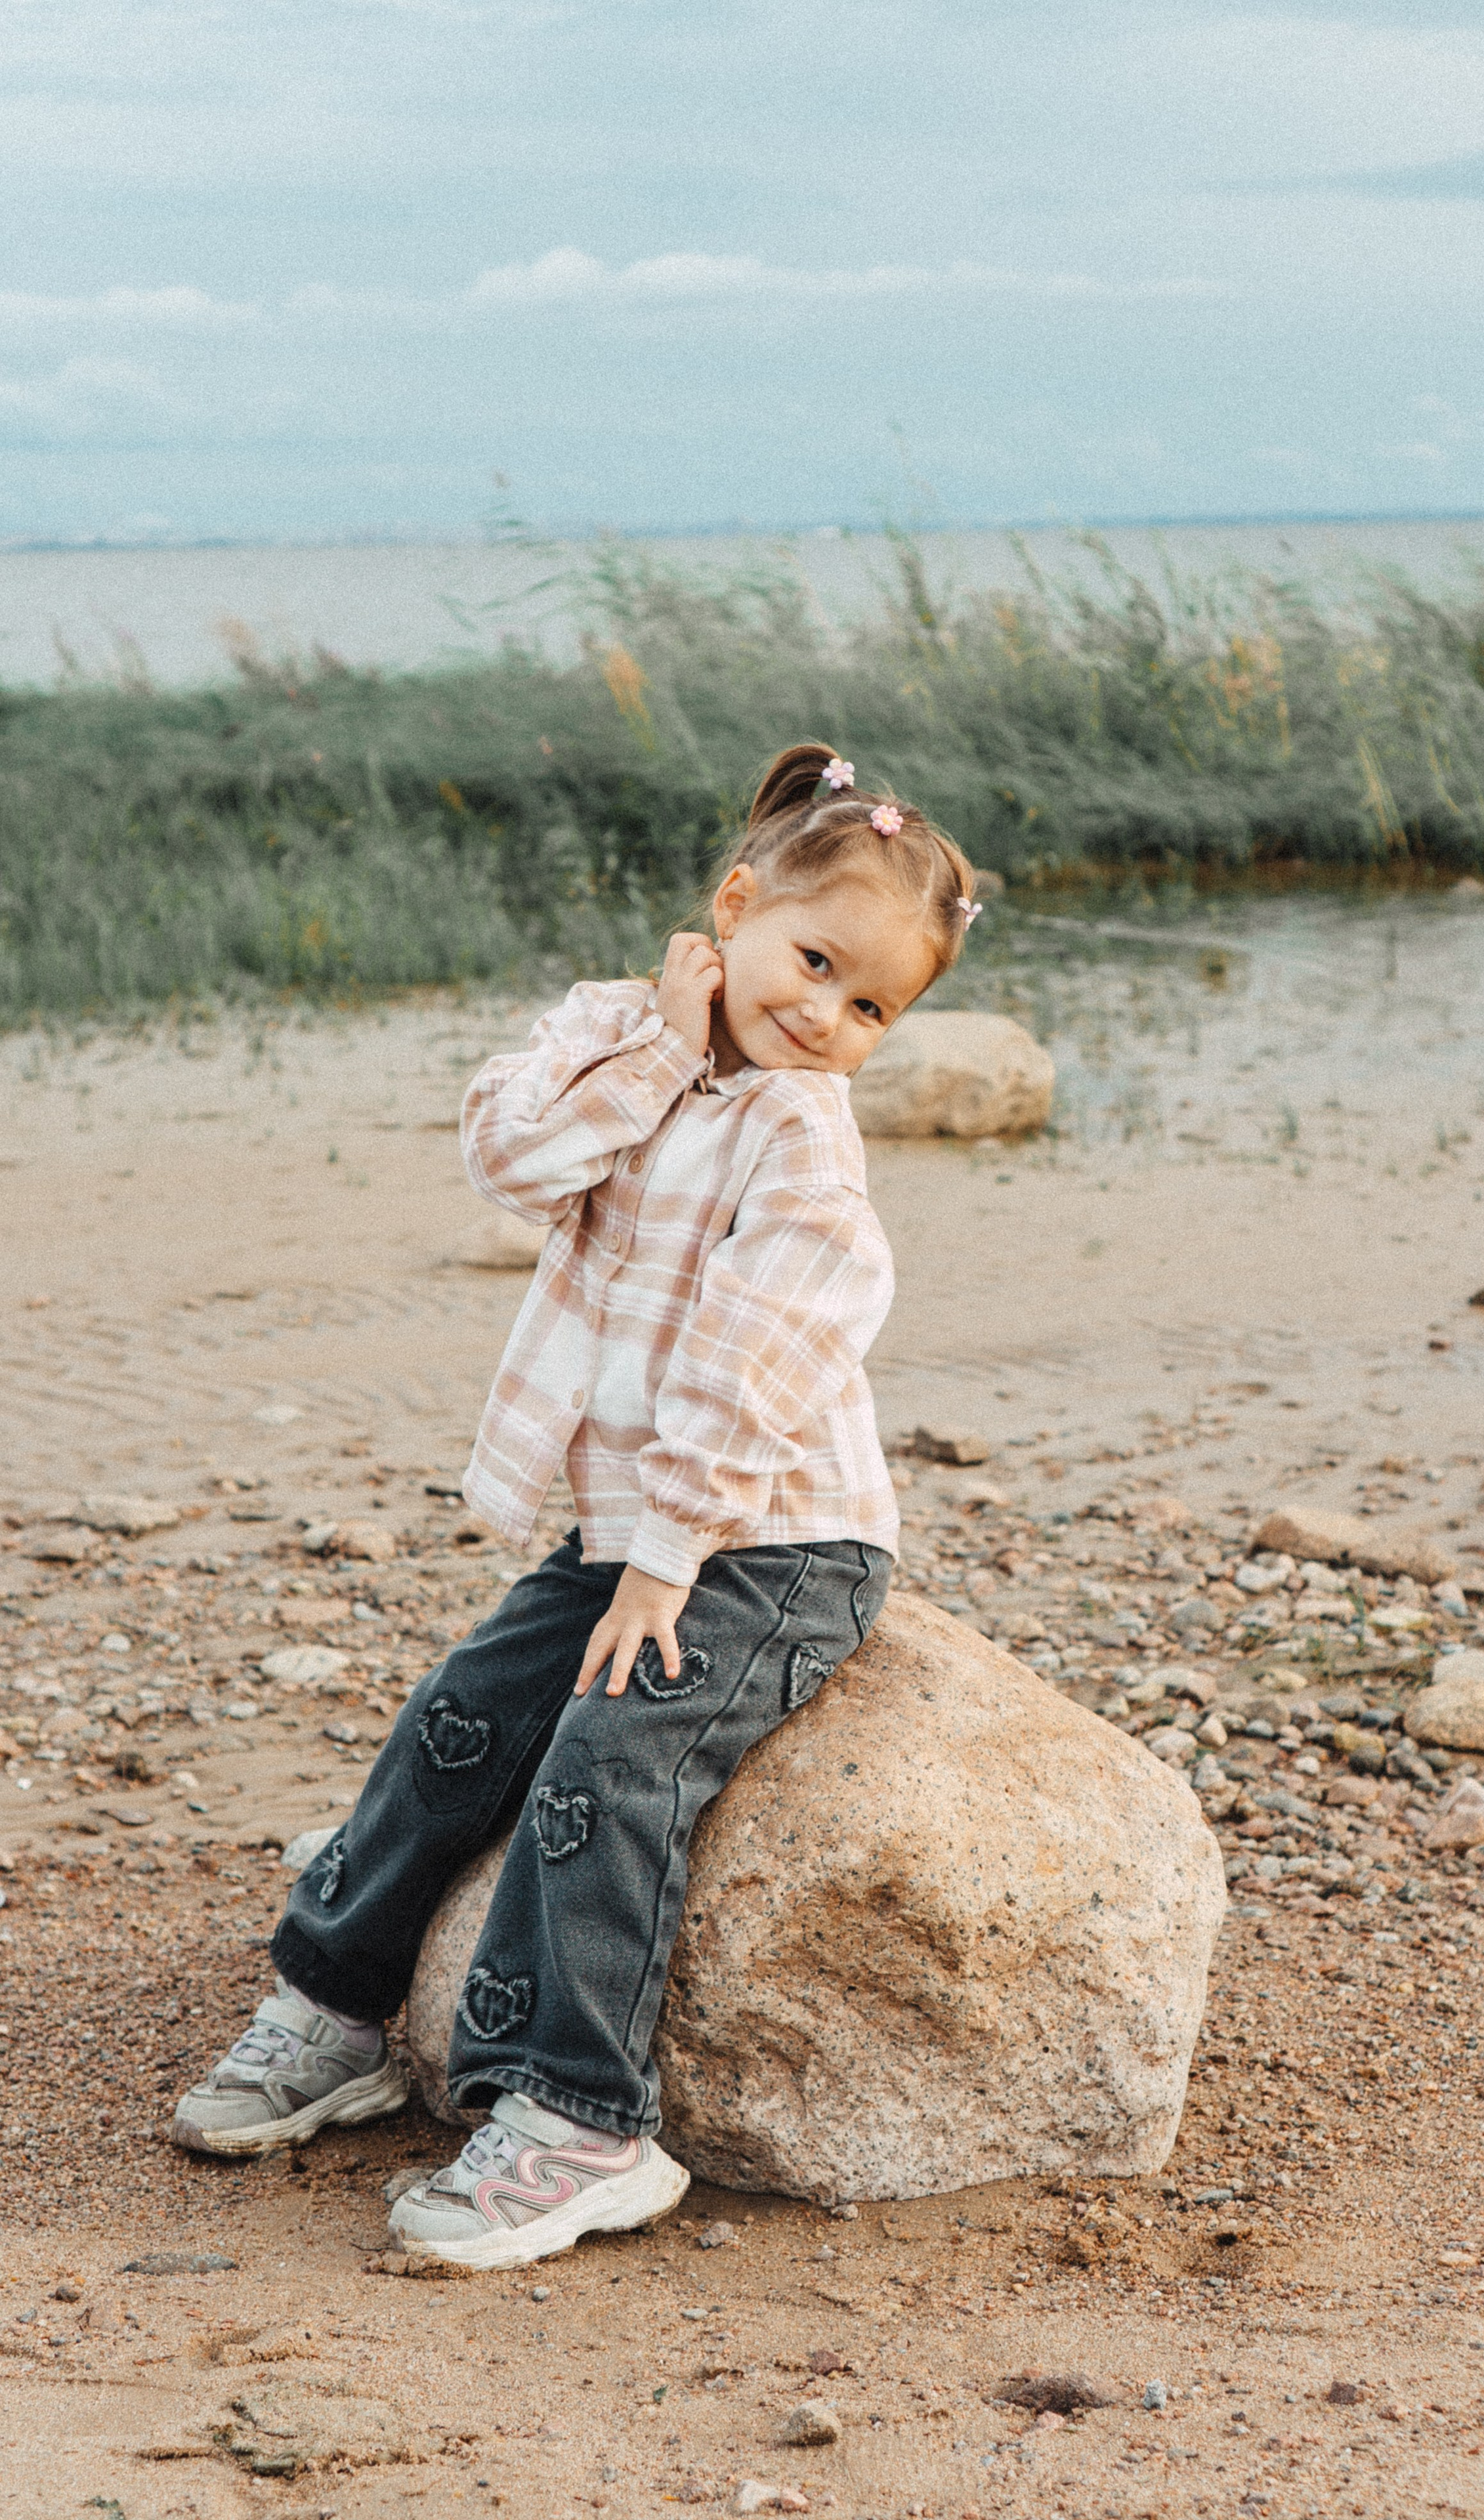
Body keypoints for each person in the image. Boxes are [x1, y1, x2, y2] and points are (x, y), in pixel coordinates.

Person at [170, 743, 983, 2269]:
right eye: (814, 963)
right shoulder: (615, 1033)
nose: (827, 1015)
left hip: (773, 1543)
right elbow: (509, 1156)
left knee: (608, 1761)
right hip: (629, 1529)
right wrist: (661, 1053)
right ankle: (333, 2004)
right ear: (733, 910)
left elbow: (750, 1368)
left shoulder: (802, 1137)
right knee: (463, 1713)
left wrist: (665, 1567)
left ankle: (581, 2120)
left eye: (872, 1008)